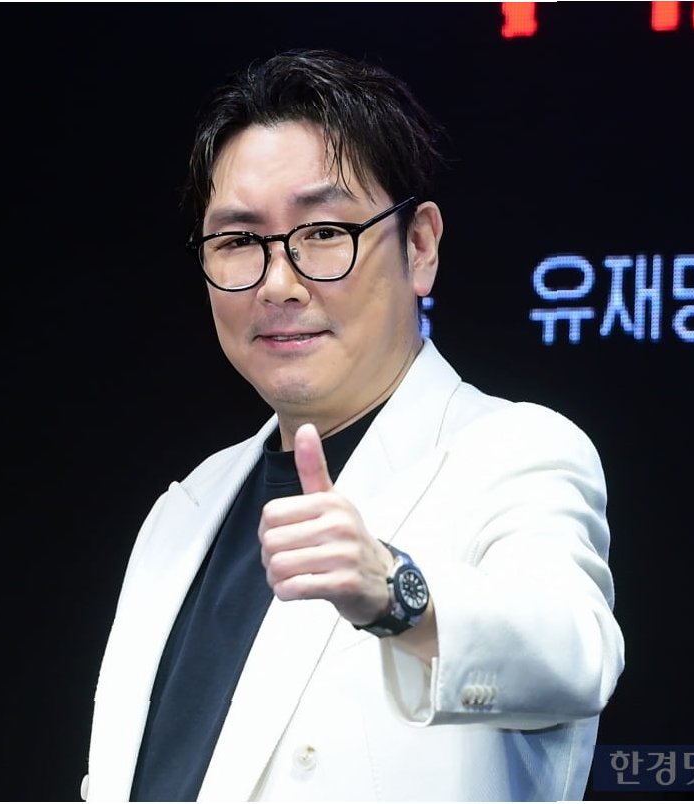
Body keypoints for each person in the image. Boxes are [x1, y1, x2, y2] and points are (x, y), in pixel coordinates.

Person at [84, 48, 624, 802]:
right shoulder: (184, 511)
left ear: (419, 247)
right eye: (238, 242)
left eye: (323, 232)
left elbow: (573, 655)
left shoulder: (514, 453)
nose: (279, 283)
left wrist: (396, 591)